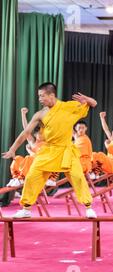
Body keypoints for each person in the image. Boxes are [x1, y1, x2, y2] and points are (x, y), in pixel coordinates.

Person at [2, 83, 97, 218]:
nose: (40, 99)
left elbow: (94, 104)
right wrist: (12, 149)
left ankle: (88, 207)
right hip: (48, 151)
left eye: (42, 96)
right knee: (32, 177)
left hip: (66, 150)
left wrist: (87, 99)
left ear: (51, 95)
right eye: (39, 96)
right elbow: (26, 132)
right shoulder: (40, 114)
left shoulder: (68, 107)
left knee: (78, 177)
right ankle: (26, 209)